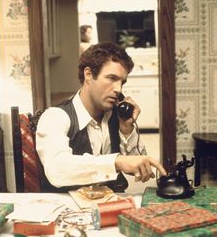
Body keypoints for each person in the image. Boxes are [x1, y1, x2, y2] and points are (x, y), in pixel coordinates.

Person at [36, 42, 167, 192]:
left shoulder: (115, 115)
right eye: (112, 78)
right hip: (68, 209)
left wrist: (126, 129)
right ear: (89, 75)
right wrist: (116, 161)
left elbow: (139, 168)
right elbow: (57, 169)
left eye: (122, 82)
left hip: (110, 204)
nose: (118, 89)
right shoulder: (55, 117)